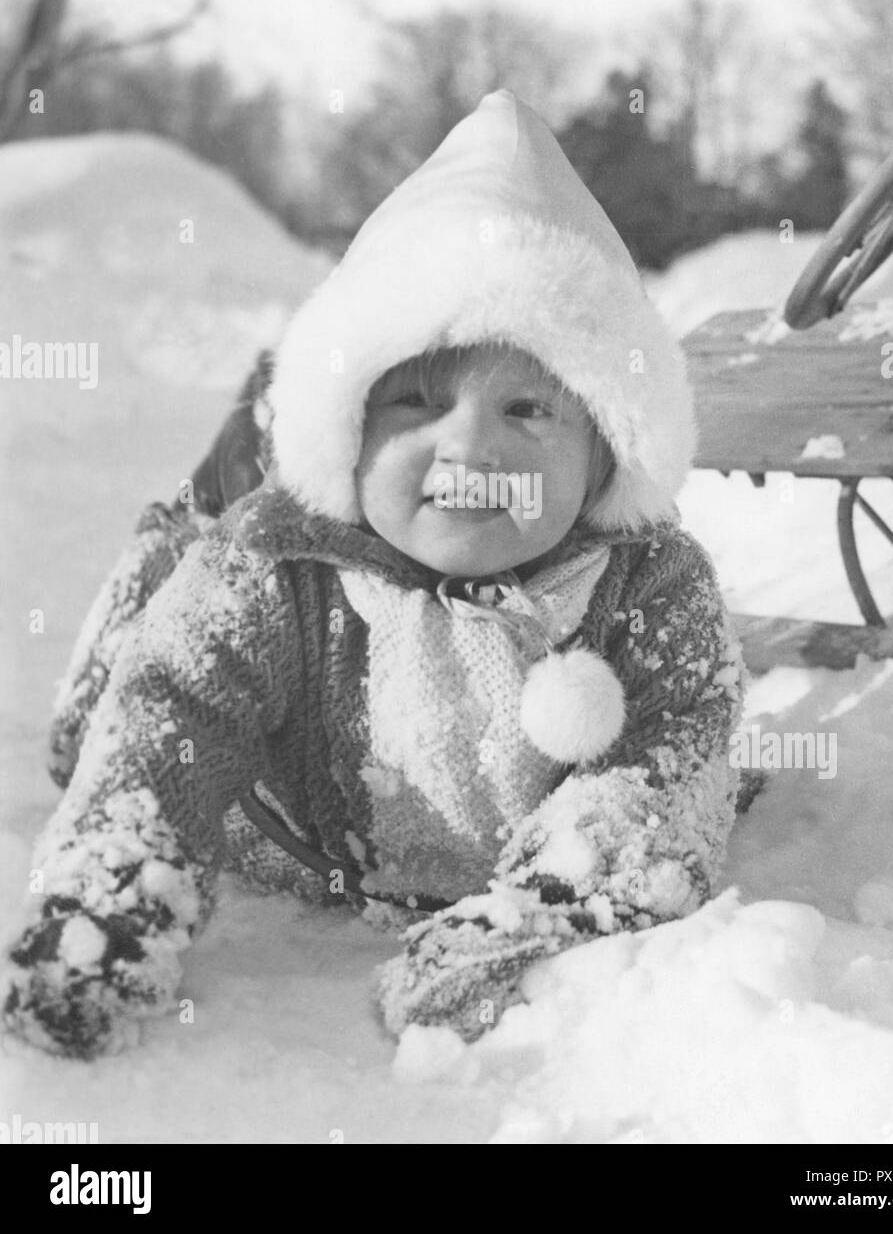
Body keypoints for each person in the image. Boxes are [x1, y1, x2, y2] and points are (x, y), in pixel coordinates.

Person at [3, 90, 745, 1058]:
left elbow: (670, 758)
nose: (468, 445)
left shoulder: (649, 587)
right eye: (414, 402)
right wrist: (107, 903)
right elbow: (170, 711)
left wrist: (538, 904)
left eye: (526, 410)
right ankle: (211, 486)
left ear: (604, 451)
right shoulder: (273, 565)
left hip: (485, 846)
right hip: (279, 823)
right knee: (125, 677)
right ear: (350, 431)